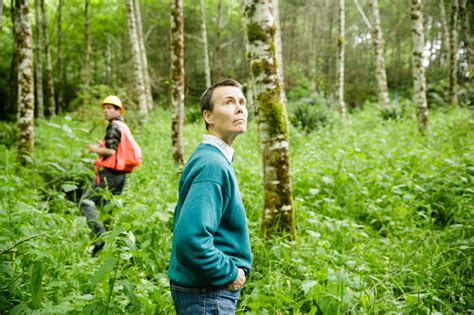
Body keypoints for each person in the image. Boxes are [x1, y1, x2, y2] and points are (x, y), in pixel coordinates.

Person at [168, 79, 253, 314]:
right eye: (228, 102)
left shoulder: (213, 158)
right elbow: (190, 240)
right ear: (209, 116)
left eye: (242, 102)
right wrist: (229, 272)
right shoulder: (211, 164)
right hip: (207, 292)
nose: (239, 108)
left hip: (205, 291)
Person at [80, 95, 135, 255]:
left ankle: (99, 239)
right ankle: (112, 246)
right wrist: (102, 145)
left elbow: (111, 151)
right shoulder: (122, 126)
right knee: (109, 208)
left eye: (109, 108)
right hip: (121, 175)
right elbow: (116, 148)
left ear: (118, 110)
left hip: (110, 174)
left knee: (86, 201)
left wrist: (94, 149)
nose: (105, 111)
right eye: (104, 108)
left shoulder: (114, 126)